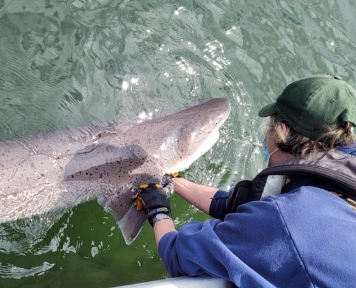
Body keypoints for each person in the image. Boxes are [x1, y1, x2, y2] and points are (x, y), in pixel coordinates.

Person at [133, 74, 356, 287]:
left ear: (282, 132)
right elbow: (236, 204)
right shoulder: (341, 175)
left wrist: (158, 209)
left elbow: (178, 255)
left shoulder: (286, 221)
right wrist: (174, 182)